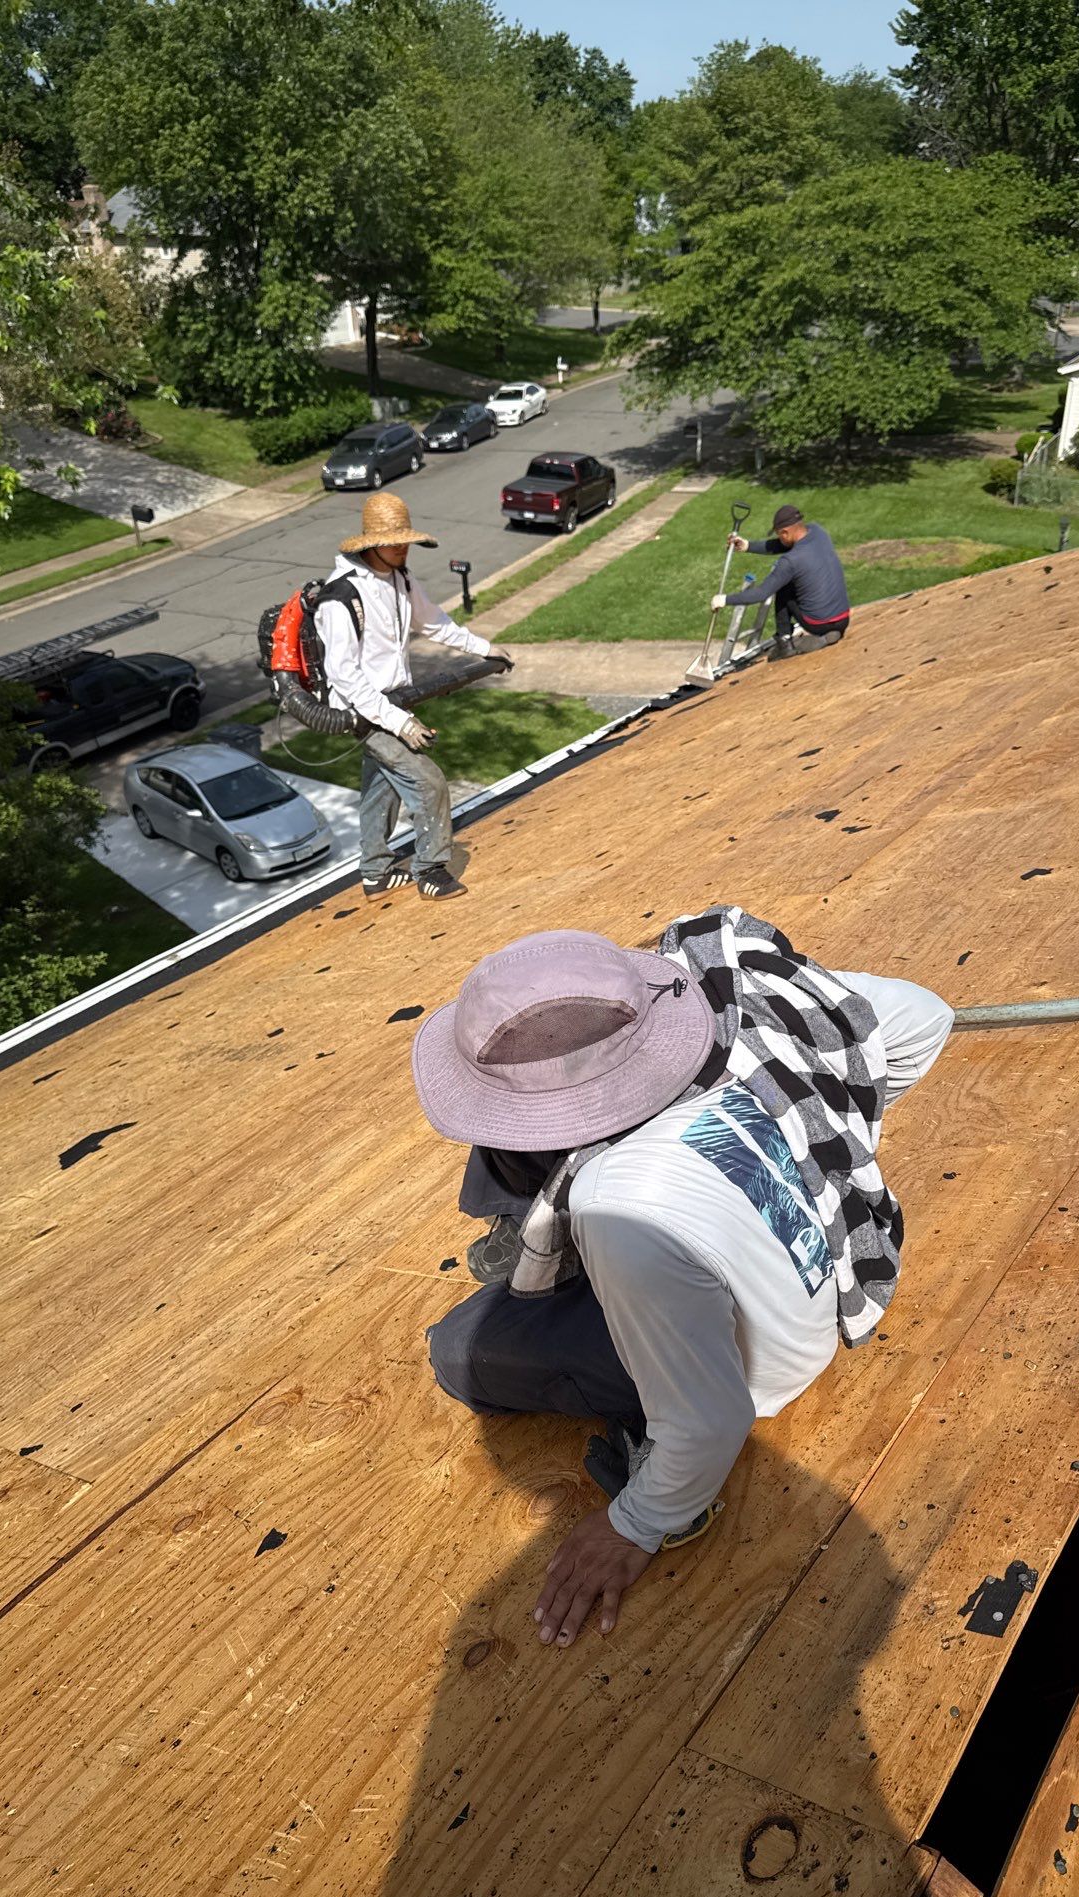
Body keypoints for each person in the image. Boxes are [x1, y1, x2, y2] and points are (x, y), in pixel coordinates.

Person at [411, 905, 953, 1647]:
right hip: (800, 1253)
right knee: (515, 1154)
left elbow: (711, 1419)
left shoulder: (619, 1208)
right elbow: (926, 1017)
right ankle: (534, 1230)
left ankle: (614, 1377)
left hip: (751, 1355)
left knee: (460, 1349)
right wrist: (827, 1134)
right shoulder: (744, 1002)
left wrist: (634, 1523)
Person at [317, 491, 513, 901]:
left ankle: (375, 873)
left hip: (396, 700)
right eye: (394, 542)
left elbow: (434, 623)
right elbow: (344, 676)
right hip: (363, 710)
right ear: (372, 544)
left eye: (405, 541)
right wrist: (400, 723)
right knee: (428, 782)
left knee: (381, 789)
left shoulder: (400, 578)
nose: (403, 548)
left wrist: (484, 648)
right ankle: (430, 870)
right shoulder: (341, 598)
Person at [712, 503, 851, 659]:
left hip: (817, 624)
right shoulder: (818, 532)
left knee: (784, 587)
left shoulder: (790, 561)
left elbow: (761, 594)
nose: (779, 538)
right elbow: (781, 545)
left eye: (779, 534)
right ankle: (830, 634)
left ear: (785, 532)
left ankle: (785, 643)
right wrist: (747, 546)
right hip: (843, 619)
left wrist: (724, 599)